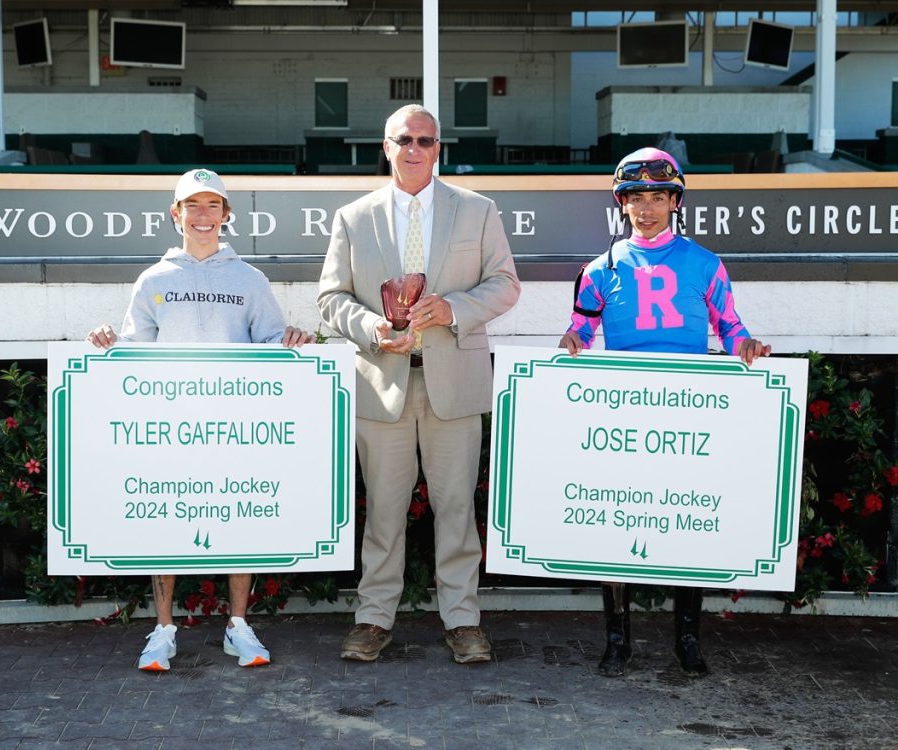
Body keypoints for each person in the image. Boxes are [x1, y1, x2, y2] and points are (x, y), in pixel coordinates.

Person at [87, 168, 312, 672]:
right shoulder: (155, 279)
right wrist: (108, 341)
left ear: (227, 215)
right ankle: (163, 631)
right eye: (193, 205)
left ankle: (238, 627)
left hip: (235, 427)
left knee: (239, 519)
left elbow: (270, 346)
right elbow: (136, 350)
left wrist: (293, 341)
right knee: (165, 521)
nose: (203, 215)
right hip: (171, 427)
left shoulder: (249, 279)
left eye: (213, 205)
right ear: (176, 214)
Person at [318, 104, 520, 664]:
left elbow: (505, 284)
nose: (414, 149)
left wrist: (451, 310)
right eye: (403, 139)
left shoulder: (477, 211)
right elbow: (331, 298)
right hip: (382, 385)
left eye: (425, 140)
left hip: (452, 382)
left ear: (439, 149)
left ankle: (463, 620)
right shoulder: (354, 217)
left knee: (456, 509)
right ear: (385, 147)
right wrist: (373, 328)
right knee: (383, 511)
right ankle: (373, 617)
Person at [559, 147, 770, 678]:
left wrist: (746, 346)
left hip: (688, 415)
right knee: (617, 525)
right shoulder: (599, 268)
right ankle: (616, 641)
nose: (647, 207)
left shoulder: (705, 263)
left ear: (675, 201)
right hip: (625, 416)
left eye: (658, 197)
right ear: (621, 203)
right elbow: (583, 329)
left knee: (689, 525)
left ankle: (689, 641)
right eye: (636, 198)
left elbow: (730, 325)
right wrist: (571, 342)